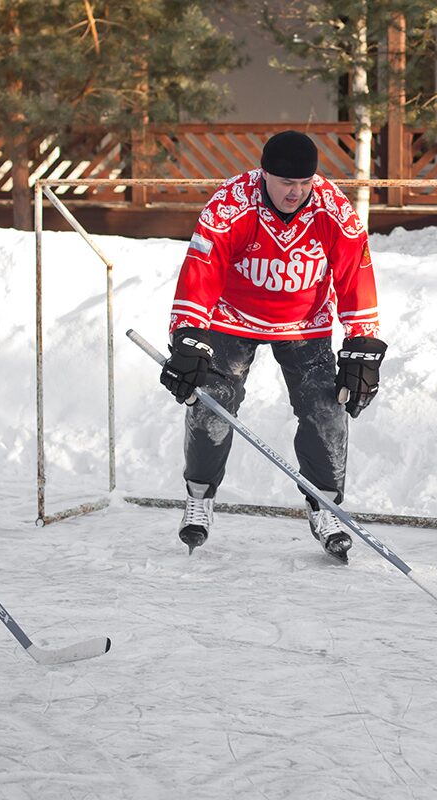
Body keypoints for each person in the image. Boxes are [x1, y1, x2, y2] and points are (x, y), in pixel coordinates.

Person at [159, 130, 386, 563]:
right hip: (231, 316)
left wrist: (362, 341)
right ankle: (200, 497)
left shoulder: (333, 208)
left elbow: (356, 274)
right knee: (212, 403)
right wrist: (189, 334)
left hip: (305, 320)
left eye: (304, 183)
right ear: (264, 174)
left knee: (326, 408)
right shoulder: (230, 204)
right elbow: (201, 269)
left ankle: (326, 507)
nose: (295, 192)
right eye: (286, 182)